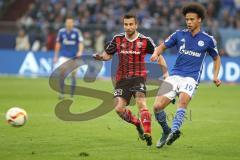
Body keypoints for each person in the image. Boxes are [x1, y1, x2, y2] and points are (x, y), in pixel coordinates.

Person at [150, 2, 221, 148]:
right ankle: (166, 131)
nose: (188, 22)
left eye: (192, 19)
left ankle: (174, 132)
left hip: (191, 78)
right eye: (187, 19)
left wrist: (215, 76)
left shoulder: (208, 39)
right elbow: (162, 46)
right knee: (157, 107)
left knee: (182, 101)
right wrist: (156, 53)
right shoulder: (178, 34)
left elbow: (216, 58)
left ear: (199, 19)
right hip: (175, 75)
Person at [93, 13, 169, 146]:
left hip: (138, 77)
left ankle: (148, 133)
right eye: (126, 24)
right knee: (118, 109)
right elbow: (108, 56)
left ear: (136, 25)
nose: (128, 27)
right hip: (121, 79)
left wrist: (166, 74)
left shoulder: (145, 40)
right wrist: (100, 57)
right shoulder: (117, 39)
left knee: (141, 103)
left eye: (131, 24)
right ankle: (137, 124)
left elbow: (158, 54)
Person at [53, 17, 84, 99]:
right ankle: (62, 93)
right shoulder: (61, 32)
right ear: (65, 23)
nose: (69, 24)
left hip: (74, 56)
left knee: (73, 75)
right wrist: (56, 56)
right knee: (62, 72)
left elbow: (80, 43)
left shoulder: (77, 32)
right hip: (64, 56)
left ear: (73, 23)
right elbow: (58, 44)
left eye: (71, 22)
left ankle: (72, 94)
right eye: (68, 22)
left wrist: (80, 52)